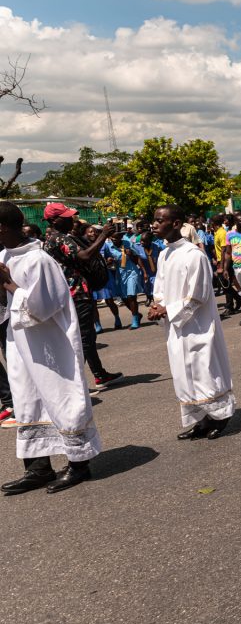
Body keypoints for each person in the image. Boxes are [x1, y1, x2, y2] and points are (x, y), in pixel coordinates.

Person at [0, 202, 101, 495]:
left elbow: (40, 308)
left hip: (49, 345)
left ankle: (79, 464)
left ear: (3, 228)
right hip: (20, 344)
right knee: (26, 401)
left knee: (60, 399)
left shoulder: (38, 260)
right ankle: (37, 468)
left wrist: (7, 284)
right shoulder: (5, 255)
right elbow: (8, 306)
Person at [148, 205, 235, 440]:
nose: (154, 225)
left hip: (197, 325)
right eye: (154, 220)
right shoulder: (165, 253)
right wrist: (157, 306)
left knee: (203, 369)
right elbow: (160, 287)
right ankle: (200, 418)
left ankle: (220, 416)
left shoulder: (193, 255)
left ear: (176, 224)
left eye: (159, 220)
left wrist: (169, 309)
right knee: (183, 372)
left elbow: (199, 295)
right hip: (175, 326)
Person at [41, 203, 122, 389]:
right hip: (76, 293)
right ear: (54, 220)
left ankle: (99, 374)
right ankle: (73, 384)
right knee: (84, 338)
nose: (72, 219)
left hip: (72, 293)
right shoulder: (59, 238)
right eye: (67, 216)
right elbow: (84, 256)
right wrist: (103, 236)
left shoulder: (53, 238)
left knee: (87, 336)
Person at [86, 224, 122, 332]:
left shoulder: (104, 245)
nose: (92, 234)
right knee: (93, 303)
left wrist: (110, 259)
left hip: (104, 276)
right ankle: (97, 324)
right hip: (91, 277)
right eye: (90, 232)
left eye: (94, 232)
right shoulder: (84, 245)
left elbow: (112, 256)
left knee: (109, 300)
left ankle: (117, 318)